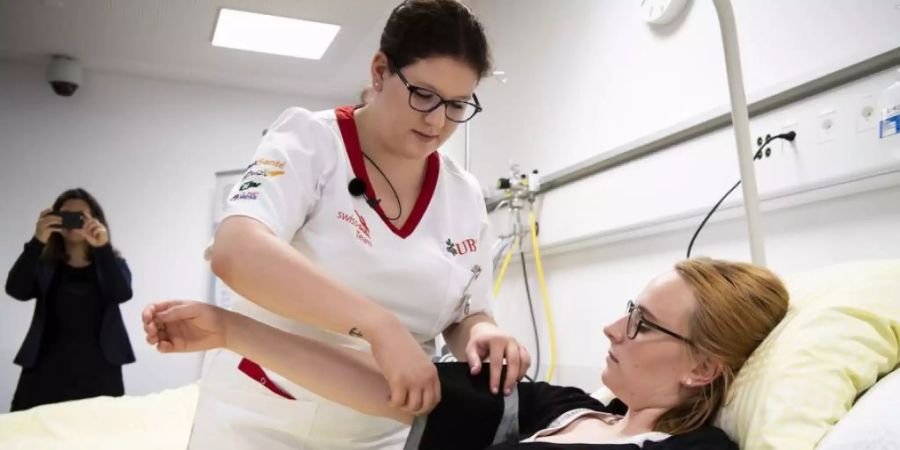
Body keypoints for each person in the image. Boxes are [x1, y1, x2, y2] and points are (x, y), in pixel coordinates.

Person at [192, 1, 529, 448]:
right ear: (380, 71)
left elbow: (467, 309)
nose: (437, 120)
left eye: (457, 104)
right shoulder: (309, 141)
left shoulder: (462, 193)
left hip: (385, 428)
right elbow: (236, 252)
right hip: (263, 416)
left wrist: (483, 332)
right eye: (423, 94)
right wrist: (378, 326)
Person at [144, 257, 789, 449]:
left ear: (703, 366)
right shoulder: (563, 410)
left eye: (642, 324)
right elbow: (392, 386)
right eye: (628, 311)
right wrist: (232, 332)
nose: (612, 330)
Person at [6, 188, 134, 412]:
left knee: (99, 438)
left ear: (96, 221)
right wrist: (37, 241)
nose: (73, 223)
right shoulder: (45, 265)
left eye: (81, 217)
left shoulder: (111, 264)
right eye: (66, 216)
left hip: (100, 371)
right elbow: (16, 290)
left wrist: (102, 247)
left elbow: (121, 294)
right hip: (44, 372)